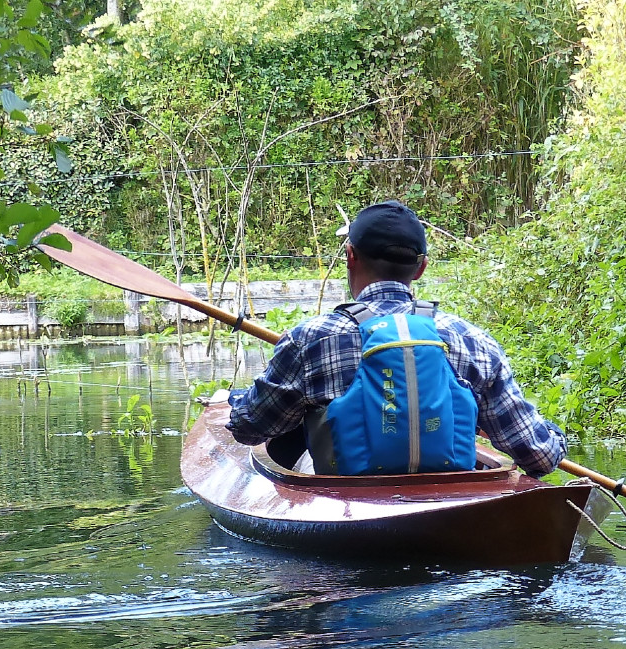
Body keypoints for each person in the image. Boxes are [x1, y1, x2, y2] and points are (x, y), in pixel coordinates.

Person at [227, 200, 566, 477]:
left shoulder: (310, 339)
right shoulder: (473, 340)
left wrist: (236, 401)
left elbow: (250, 429)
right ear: (421, 268)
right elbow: (540, 458)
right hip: (453, 506)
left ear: (350, 257)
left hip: (348, 507)